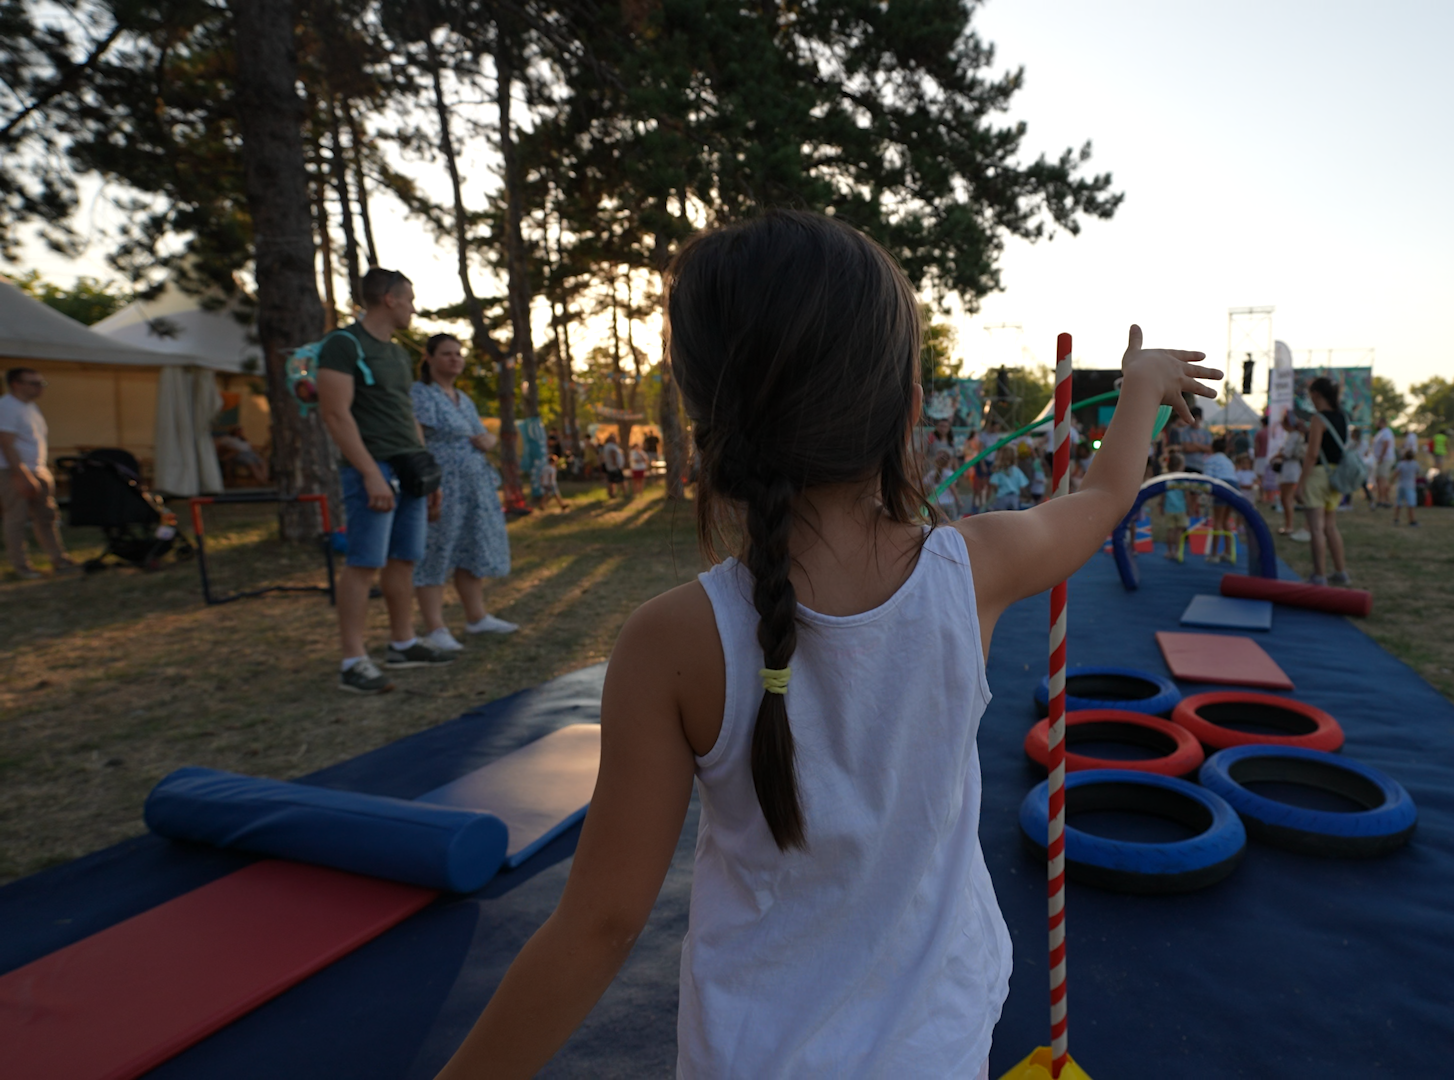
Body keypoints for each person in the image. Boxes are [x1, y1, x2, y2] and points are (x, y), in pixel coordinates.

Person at [430, 210, 1214, 1079]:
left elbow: (600, 925)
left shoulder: (670, 642)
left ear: (705, 418)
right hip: (937, 1042)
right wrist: (1141, 386)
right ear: (907, 410)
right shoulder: (976, 568)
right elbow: (1103, 498)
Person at [315, 269, 454, 694]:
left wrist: (429, 474)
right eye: (409, 299)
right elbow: (335, 414)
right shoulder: (343, 344)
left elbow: (405, 415)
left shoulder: (396, 354)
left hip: (410, 468)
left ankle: (402, 643)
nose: (413, 307)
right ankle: (353, 660)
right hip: (372, 469)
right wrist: (371, 473)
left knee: (404, 559)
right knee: (364, 563)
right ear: (390, 299)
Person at [409, 333, 520, 653]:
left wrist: (490, 440)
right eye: (447, 353)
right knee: (436, 550)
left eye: (458, 353)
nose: (455, 359)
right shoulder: (420, 394)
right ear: (429, 358)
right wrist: (426, 480)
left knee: (472, 546)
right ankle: (435, 627)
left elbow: (480, 433)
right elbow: (417, 439)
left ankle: (477, 616)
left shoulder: (463, 398)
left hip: (474, 485)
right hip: (442, 485)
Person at [0, 367, 75, 579]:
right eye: (33, 383)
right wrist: (21, 474)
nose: (39, 388)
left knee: (47, 517)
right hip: (14, 471)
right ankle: (21, 566)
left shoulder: (30, 407)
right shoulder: (6, 407)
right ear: (16, 384)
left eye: (41, 383)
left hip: (37, 468)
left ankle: (59, 558)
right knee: (16, 518)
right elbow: (6, 444)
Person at [1297, 377, 1352, 586]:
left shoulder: (1318, 419)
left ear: (1316, 394)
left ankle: (1319, 575)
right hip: (1336, 476)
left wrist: (1301, 484)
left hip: (1318, 475)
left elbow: (1312, 455)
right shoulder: (1343, 417)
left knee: (1316, 528)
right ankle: (1340, 571)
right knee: (1331, 527)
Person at [1200, 436, 1238, 563]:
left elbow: (1207, 478)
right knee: (1226, 520)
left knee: (1217, 520)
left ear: (1212, 448)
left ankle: (1214, 554)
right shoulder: (1228, 461)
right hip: (1234, 487)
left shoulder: (1210, 460)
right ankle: (1228, 551)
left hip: (1221, 485)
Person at [1275, 412, 1307, 541]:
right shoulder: (1295, 435)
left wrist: (1275, 456)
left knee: (1286, 498)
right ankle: (1289, 525)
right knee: (1287, 499)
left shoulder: (1293, 436)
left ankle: (1289, 526)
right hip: (1292, 469)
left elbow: (1287, 453)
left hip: (1289, 470)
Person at [1154, 451, 1190, 562]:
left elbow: (1163, 494)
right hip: (1181, 509)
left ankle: (1169, 551)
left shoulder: (1167, 478)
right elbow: (1187, 494)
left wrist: (1161, 505)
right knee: (1179, 531)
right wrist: (1189, 507)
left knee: (1170, 530)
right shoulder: (1183, 479)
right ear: (1180, 466)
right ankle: (1177, 551)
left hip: (1169, 508)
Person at [925, 446, 961, 519]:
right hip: (948, 503)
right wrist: (959, 500)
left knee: (939, 524)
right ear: (949, 462)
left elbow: (925, 486)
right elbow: (953, 488)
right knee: (952, 522)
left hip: (936, 504)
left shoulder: (931, 474)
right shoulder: (950, 474)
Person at [988, 444, 1026, 511]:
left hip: (1002, 497)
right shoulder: (1017, 470)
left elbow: (994, 485)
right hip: (1014, 498)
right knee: (1012, 516)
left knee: (1001, 515)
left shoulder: (998, 471)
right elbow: (1022, 486)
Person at [1392, 449, 1421, 527]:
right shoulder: (1415, 464)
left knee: (1398, 503)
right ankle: (1412, 520)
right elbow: (1418, 473)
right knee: (1411, 505)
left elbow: (1395, 474)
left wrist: (1391, 483)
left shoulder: (1401, 464)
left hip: (1401, 485)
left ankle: (1396, 519)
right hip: (1410, 486)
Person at [1370, 423, 1396, 509]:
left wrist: (1381, 457)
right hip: (1381, 460)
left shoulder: (1386, 432)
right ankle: (1381, 500)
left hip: (1384, 460)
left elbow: (1386, 443)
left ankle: (1384, 501)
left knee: (1382, 480)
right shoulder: (1381, 432)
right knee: (1379, 480)